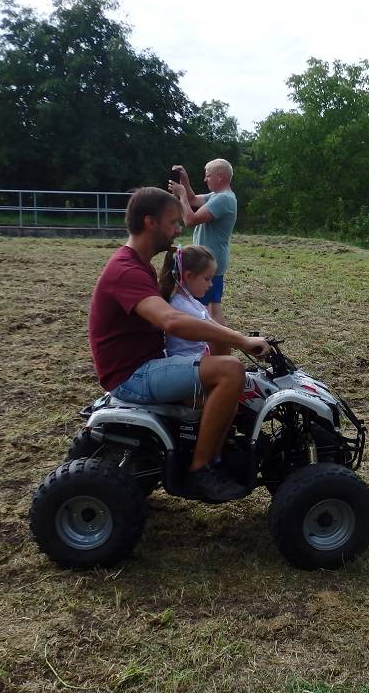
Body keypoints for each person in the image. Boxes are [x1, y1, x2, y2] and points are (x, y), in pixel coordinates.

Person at [87, 186, 268, 502]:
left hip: (145, 365)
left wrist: (227, 339)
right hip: (133, 376)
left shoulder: (140, 265)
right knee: (230, 370)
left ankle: (216, 448)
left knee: (224, 360)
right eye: (172, 222)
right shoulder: (126, 270)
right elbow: (171, 321)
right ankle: (200, 470)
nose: (179, 228)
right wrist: (240, 340)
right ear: (150, 222)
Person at [168, 159, 237, 347]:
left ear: (220, 176)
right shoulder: (218, 196)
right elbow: (193, 200)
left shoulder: (223, 199)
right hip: (213, 260)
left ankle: (216, 348)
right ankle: (219, 348)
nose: (205, 179)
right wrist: (185, 181)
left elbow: (190, 220)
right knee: (213, 307)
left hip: (208, 263)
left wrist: (181, 195)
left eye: (208, 175)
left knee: (208, 309)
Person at [157, 244, 218, 359]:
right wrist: (241, 341)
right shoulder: (182, 307)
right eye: (207, 279)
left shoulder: (192, 303)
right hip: (186, 364)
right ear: (189, 276)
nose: (210, 284)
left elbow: (213, 325)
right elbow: (215, 332)